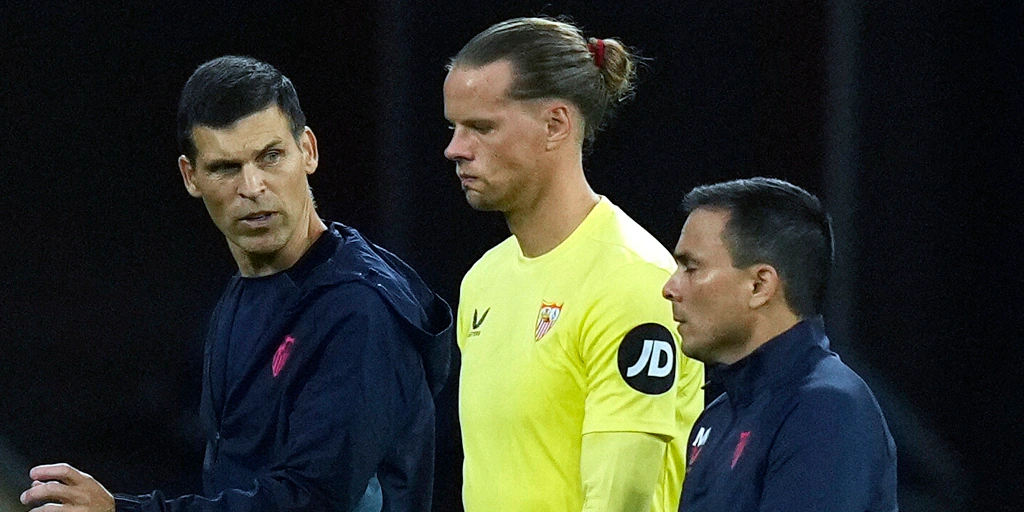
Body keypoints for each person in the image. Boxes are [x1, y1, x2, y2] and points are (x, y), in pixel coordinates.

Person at [20, 56, 452, 512]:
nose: (252, 186)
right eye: (226, 168)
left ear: (308, 150)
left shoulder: (359, 310)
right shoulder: (241, 295)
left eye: (270, 157)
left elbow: (312, 502)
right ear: (191, 177)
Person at [444, 17, 704, 512]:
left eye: (481, 126)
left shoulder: (634, 280)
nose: (455, 148)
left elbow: (619, 499)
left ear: (555, 125)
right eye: (453, 127)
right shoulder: (484, 279)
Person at [662, 177, 898, 511]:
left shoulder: (826, 410)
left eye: (691, 267)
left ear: (759, 286)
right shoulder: (717, 416)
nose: (670, 287)